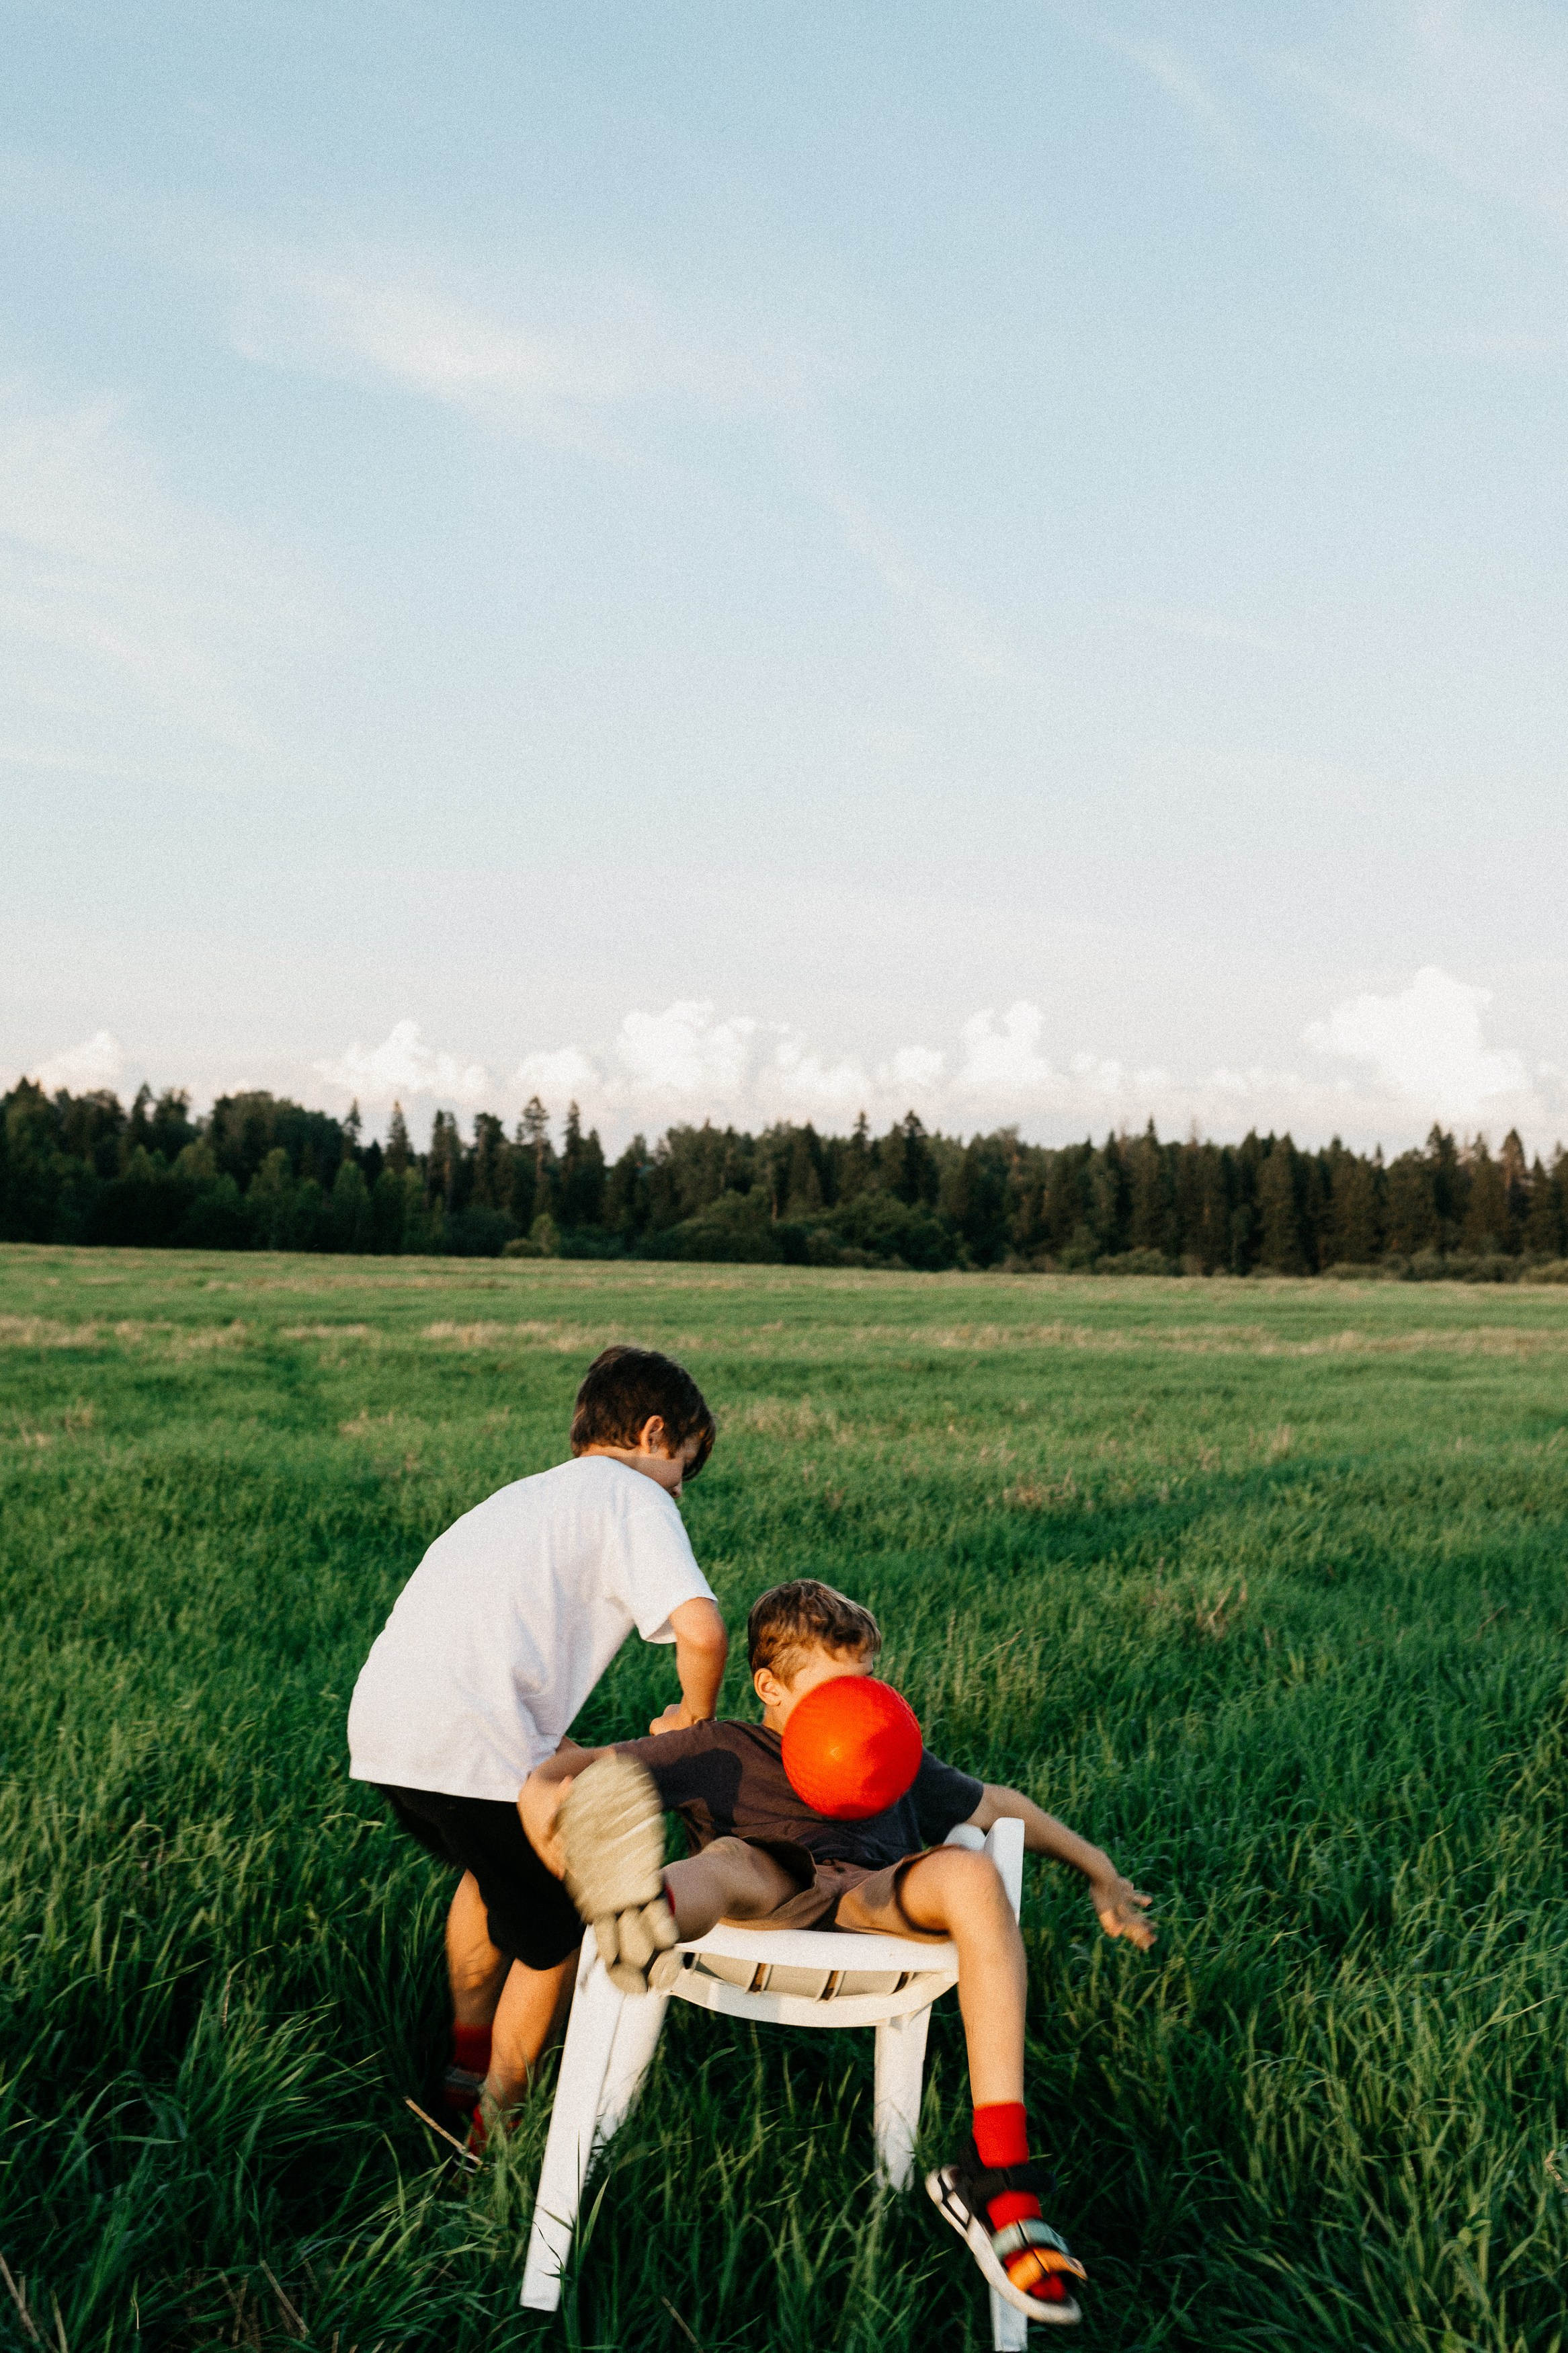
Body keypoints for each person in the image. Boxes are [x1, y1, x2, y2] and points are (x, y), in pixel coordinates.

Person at [521, 1578, 1155, 2327]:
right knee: (728, 1861)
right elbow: (571, 1776)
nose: (862, 1704)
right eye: (836, 1689)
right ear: (771, 1688)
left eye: (868, 1682)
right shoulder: (724, 1746)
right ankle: (641, 1911)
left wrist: (1098, 1870)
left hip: (871, 1900)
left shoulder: (891, 1753)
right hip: (761, 1893)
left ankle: (999, 2174)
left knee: (972, 1873)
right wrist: (557, 1816)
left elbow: (999, 1805)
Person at [347, 1345, 729, 2139]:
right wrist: (694, 1720)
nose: (678, 1491)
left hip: (389, 1729)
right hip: (471, 1740)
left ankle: (464, 2060)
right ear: (654, 1433)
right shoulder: (632, 1493)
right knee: (556, 1926)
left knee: (493, 1871)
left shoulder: (521, 1496)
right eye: (682, 1470)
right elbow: (702, 1629)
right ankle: (496, 2123)